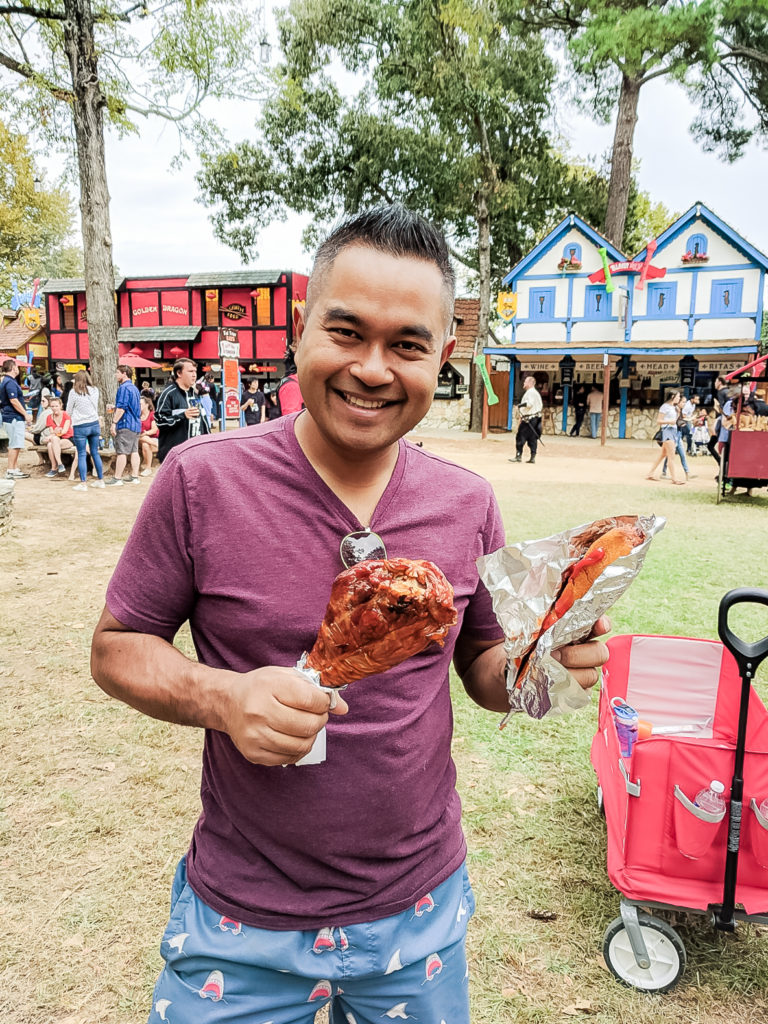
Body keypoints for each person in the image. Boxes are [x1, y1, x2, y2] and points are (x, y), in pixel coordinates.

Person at [91, 205, 609, 1024]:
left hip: (417, 905)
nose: (372, 368)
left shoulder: (467, 501)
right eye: (346, 332)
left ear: (443, 359)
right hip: (241, 916)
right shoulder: (201, 482)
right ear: (301, 331)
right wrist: (223, 699)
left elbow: (479, 670)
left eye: (406, 345)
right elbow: (118, 647)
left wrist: (535, 670)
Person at [154, 358, 210, 463]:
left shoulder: (194, 393)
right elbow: (160, 421)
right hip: (175, 455)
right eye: (190, 371)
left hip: (194, 453)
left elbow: (203, 421)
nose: (194, 375)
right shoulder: (168, 394)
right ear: (179, 373)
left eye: (195, 371)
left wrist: (208, 440)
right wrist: (182, 416)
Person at [66, 369, 105, 491]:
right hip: (94, 423)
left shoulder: (73, 392)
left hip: (80, 425)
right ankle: (100, 480)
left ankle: (83, 483)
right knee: (95, 452)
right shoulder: (95, 390)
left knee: (82, 453)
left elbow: (68, 411)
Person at [106, 365, 142, 486]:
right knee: (134, 450)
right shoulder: (134, 388)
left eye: (117, 372)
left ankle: (117, 478)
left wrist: (114, 423)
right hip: (136, 424)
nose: (116, 375)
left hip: (126, 423)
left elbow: (122, 408)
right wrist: (115, 407)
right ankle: (134, 476)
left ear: (124, 373)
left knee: (121, 452)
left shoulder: (123, 388)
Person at [0, 358, 33, 479]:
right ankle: (10, 469)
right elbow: (13, 400)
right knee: (15, 443)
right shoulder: (10, 383)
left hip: (11, 416)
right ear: (13, 368)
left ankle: (14, 467)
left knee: (17, 443)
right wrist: (25, 414)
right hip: (13, 416)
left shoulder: (7, 381)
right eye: (17, 367)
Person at [647, 390, 685, 485]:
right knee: (671, 456)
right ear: (672, 396)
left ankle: (650, 473)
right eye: (678, 396)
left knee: (663, 454)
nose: (679, 398)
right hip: (667, 431)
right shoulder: (664, 407)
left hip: (673, 431)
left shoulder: (674, 407)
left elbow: (674, 420)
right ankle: (674, 479)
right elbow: (659, 421)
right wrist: (670, 422)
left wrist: (678, 413)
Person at [510, 375, 543, 464]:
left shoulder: (531, 392)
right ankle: (532, 457)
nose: (524, 383)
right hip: (533, 418)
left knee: (520, 437)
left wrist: (519, 406)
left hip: (530, 419)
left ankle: (518, 455)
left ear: (529, 383)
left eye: (525, 382)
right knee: (532, 438)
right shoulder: (533, 392)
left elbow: (529, 404)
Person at [44, 397, 76, 476]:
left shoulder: (65, 414)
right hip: (58, 439)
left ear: (61, 406)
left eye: (56, 406)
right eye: (52, 406)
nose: (54, 408)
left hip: (68, 438)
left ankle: (57, 466)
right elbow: (52, 431)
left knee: (53, 440)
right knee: (50, 444)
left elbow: (64, 431)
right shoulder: (49, 417)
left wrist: (53, 435)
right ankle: (56, 466)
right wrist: (54, 434)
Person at [138, 396, 159, 475]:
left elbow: (154, 429)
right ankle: (156, 445)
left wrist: (146, 433)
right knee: (142, 438)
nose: (138, 405)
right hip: (139, 438)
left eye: (140, 404)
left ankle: (148, 468)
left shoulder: (152, 414)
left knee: (145, 445)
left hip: (151, 438)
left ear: (147, 405)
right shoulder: (137, 416)